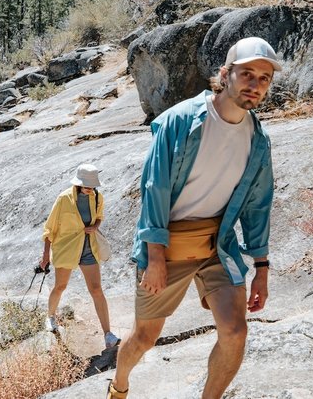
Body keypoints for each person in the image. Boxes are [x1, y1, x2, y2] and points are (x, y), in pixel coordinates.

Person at [107, 37, 279, 399]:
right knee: (144, 337)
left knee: (235, 333)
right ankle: (119, 386)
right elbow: (155, 188)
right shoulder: (180, 121)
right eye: (247, 73)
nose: (255, 84)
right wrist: (154, 257)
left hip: (218, 245)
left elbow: (257, 205)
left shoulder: (258, 139)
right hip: (167, 246)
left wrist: (261, 265)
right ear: (224, 74)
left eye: (264, 78)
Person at [40, 163, 121, 349]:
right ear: (78, 184)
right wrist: (45, 255)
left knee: (96, 289)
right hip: (67, 247)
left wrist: (96, 226)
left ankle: (108, 334)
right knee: (60, 286)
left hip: (88, 248)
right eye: (86, 186)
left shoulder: (97, 197)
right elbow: (49, 228)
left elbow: (100, 216)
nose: (89, 189)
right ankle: (50, 317)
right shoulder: (64, 199)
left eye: (92, 186)